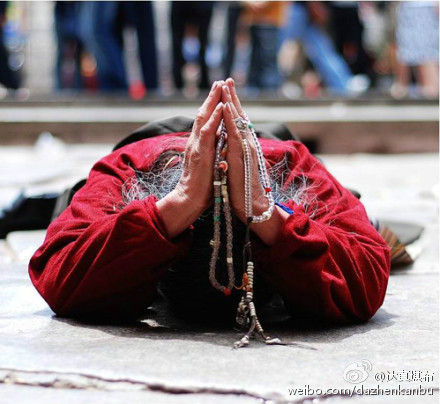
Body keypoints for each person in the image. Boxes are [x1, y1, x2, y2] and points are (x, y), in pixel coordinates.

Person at [28, 79, 390, 341]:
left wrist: (257, 209)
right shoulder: (134, 166)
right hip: (184, 152)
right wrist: (188, 201)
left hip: (252, 156)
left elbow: (58, 274)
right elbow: (59, 270)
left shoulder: (288, 162)